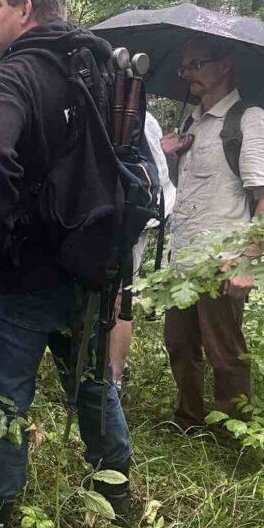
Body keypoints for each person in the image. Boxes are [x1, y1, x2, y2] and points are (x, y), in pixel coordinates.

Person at [0, 0, 137, 528]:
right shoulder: (104, 68)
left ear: (25, 10)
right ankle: (117, 489)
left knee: (4, 396)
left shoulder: (10, 79)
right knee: (90, 380)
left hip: (21, 274)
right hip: (93, 266)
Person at [159, 36, 264, 435]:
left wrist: (247, 261)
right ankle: (188, 421)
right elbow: (192, 189)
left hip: (223, 258)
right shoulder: (192, 122)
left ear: (225, 66)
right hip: (184, 258)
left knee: (224, 352)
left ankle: (232, 433)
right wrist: (170, 157)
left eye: (197, 64)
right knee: (179, 343)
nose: (188, 74)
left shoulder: (250, 120)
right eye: (184, 67)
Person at [110, 111, 176, 387]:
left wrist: (139, 220)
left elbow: (157, 176)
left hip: (130, 222)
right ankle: (90, 374)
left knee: (117, 302)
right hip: (91, 220)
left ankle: (113, 382)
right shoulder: (87, 98)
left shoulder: (138, 114)